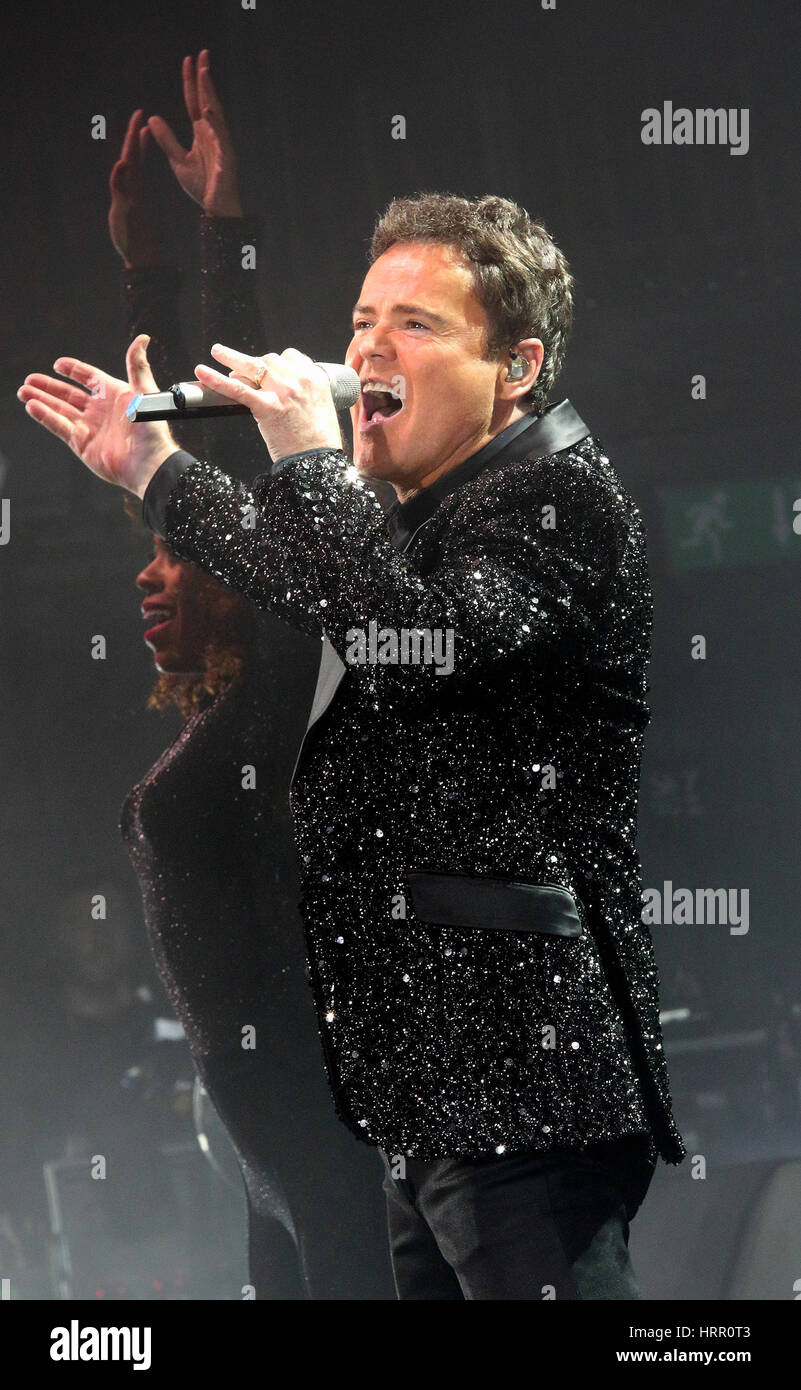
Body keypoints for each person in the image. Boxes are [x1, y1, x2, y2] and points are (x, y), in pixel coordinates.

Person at [19, 190, 686, 1300]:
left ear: (515, 367)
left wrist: (308, 459)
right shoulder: (423, 509)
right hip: (415, 1087)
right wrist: (153, 471)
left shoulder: (559, 500)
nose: (371, 343)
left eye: (417, 324)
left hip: (520, 1074)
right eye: (363, 320)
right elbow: (292, 575)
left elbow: (406, 641)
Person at [107, 50, 394, 1299]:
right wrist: (147, 262)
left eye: (184, 551)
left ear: (250, 558)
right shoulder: (237, 709)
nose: (149, 575)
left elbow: (248, 416)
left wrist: (228, 240)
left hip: (329, 1146)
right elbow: (188, 424)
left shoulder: (290, 676)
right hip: (262, 1154)